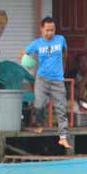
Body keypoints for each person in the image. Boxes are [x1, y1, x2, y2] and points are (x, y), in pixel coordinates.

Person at [22, 16, 69, 149]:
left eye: (52, 30)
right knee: (39, 104)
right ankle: (37, 125)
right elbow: (24, 54)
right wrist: (27, 61)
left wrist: (63, 70)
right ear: (42, 29)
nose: (50, 33)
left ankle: (63, 137)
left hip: (58, 79)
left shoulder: (61, 40)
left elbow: (65, 53)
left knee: (61, 108)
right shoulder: (36, 43)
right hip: (42, 79)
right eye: (47, 30)